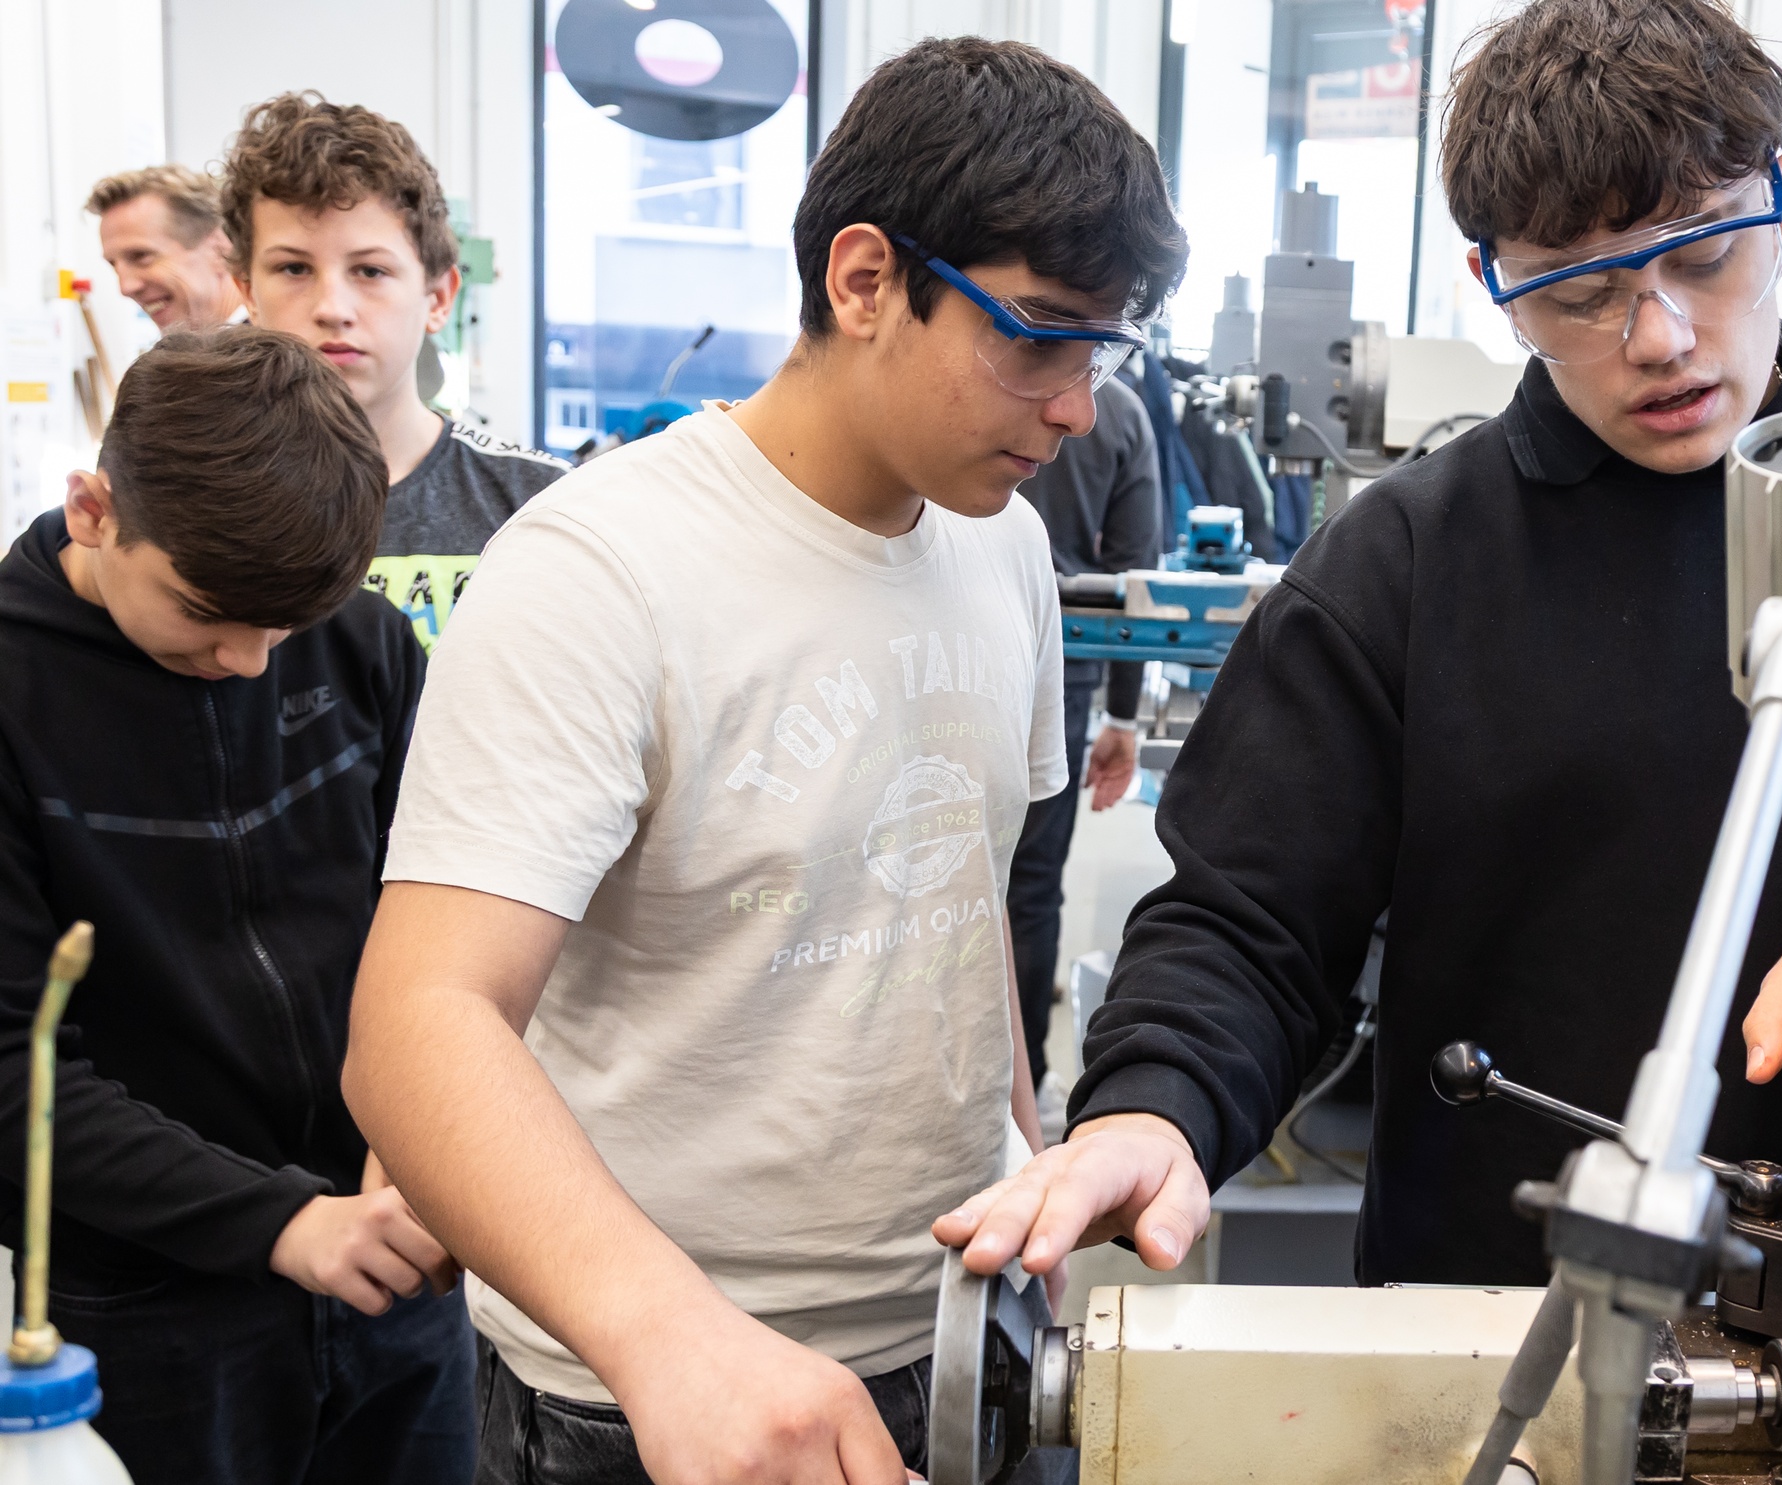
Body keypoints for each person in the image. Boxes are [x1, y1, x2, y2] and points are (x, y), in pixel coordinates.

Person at [938, 7, 1782, 1479]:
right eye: (1578, 290)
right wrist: (1153, 1107)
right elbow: (1251, 922)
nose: (1658, 336)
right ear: (1492, 286)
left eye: (1705, 252)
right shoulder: (1405, 565)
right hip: (1480, 1349)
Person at [340, 38, 1185, 1485]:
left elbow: (955, 887)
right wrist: (666, 1338)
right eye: (1038, 335)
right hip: (656, 1380)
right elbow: (416, 1028)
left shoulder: (1008, 545)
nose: (1078, 409)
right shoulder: (599, 568)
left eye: (1103, 351)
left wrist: (1028, 1156)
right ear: (864, 281)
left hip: (966, 1314)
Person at [0, 328, 466, 1484]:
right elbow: (12, 1068)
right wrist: (276, 1223)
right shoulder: (13, 699)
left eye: (284, 626)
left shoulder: (358, 639)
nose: (255, 664)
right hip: (150, 1301)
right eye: (209, 613)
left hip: (391, 1245)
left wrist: (414, 1149)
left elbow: (438, 931)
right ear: (97, 508)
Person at [223, 93, 564, 649]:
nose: (332, 307)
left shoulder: (540, 506)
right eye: (293, 268)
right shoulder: (199, 503)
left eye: (370, 270)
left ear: (438, 297)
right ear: (248, 294)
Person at [1006, 368, 1157, 1107]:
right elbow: (1137, 577)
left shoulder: (991, 386)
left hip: (938, 642)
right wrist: (1121, 718)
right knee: (1029, 891)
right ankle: (1024, 1084)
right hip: (1059, 668)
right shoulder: (1117, 416)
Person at [86, 165, 246, 332]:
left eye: (141, 256)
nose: (126, 287)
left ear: (218, 250)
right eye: (114, 265)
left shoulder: (268, 354)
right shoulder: (196, 355)